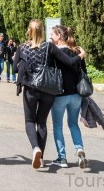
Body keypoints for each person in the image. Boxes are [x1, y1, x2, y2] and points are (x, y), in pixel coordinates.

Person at [14, 19, 86, 170]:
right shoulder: (50, 47)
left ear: (29, 31)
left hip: (30, 89)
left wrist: (18, 60)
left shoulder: (22, 47)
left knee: (29, 121)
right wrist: (81, 55)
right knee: (42, 123)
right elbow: (69, 61)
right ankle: (41, 157)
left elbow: (15, 68)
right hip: (48, 89)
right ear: (42, 31)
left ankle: (36, 149)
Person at [50, 25, 89, 169]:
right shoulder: (78, 51)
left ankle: (62, 158)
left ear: (59, 36)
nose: (50, 37)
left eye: (52, 35)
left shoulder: (54, 52)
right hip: (76, 95)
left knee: (58, 126)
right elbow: (84, 72)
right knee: (73, 124)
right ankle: (79, 149)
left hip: (59, 95)